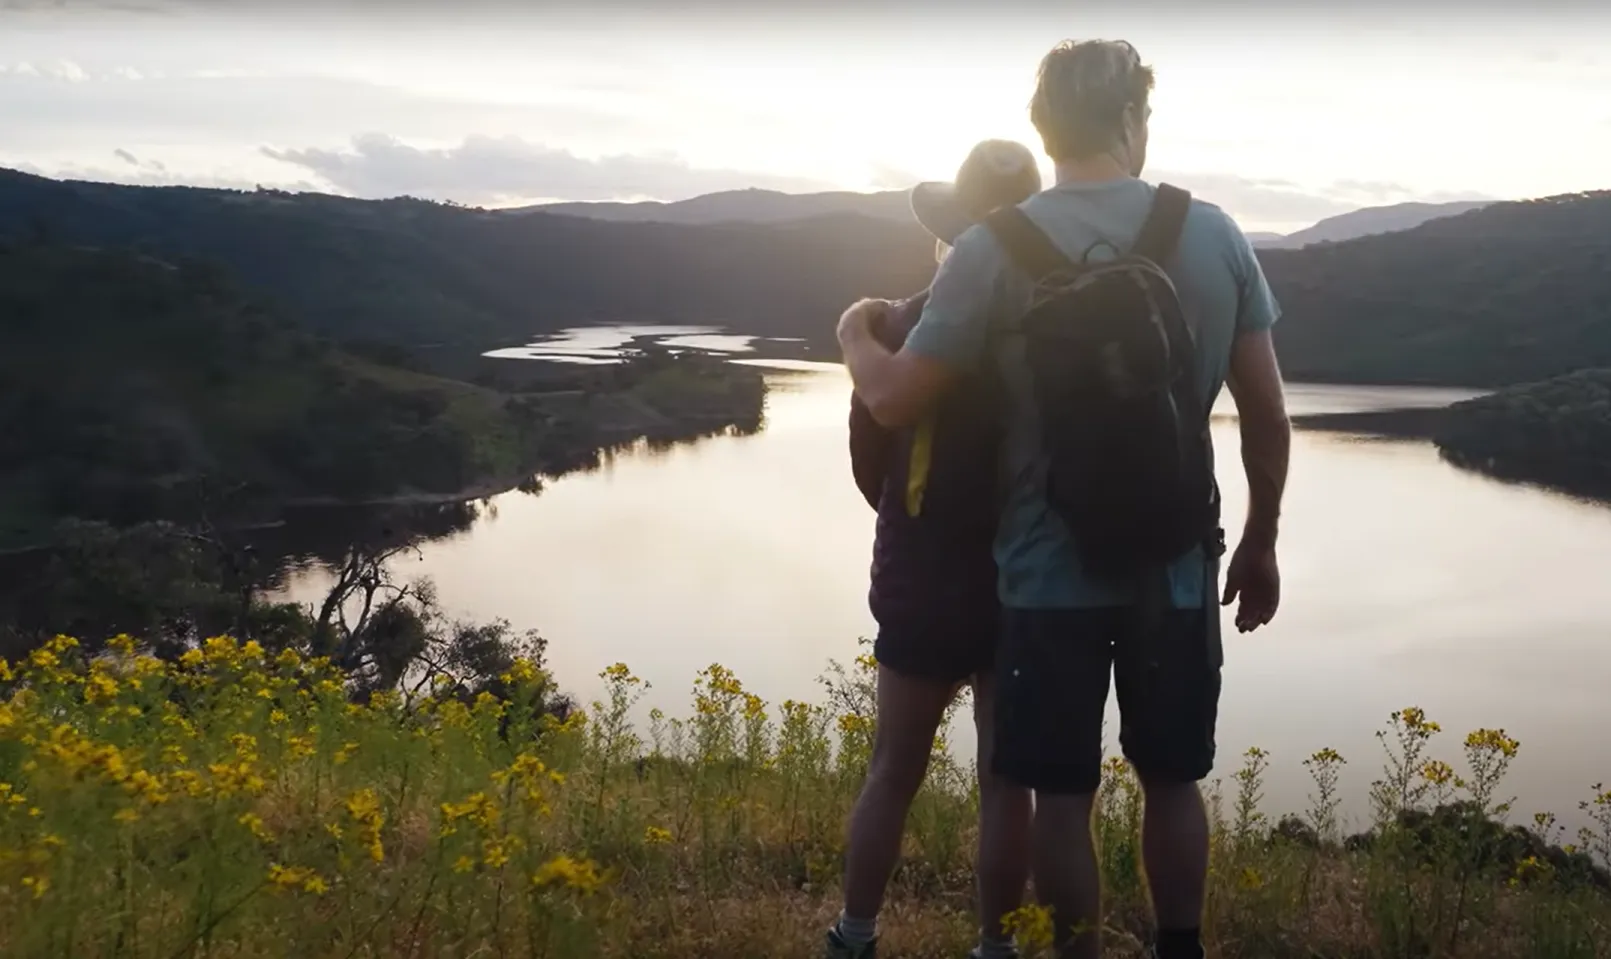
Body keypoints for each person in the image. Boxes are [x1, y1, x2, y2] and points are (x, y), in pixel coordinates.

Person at [835, 39, 1291, 959]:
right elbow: (1265, 417)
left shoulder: (990, 247)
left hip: (1043, 573)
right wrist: (1259, 540)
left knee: (1059, 793)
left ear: (1046, 128)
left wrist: (852, 332)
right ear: (1129, 120)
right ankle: (1179, 948)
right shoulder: (1214, 235)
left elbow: (892, 399)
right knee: (1171, 780)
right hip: (1174, 559)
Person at [828, 139, 1042, 959]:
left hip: (921, 575)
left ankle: (854, 933)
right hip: (1022, 576)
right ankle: (995, 946)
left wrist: (853, 329)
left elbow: (869, 464)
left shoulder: (899, 326)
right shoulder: (1050, 330)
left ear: (945, 237)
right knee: (1004, 783)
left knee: (892, 769)